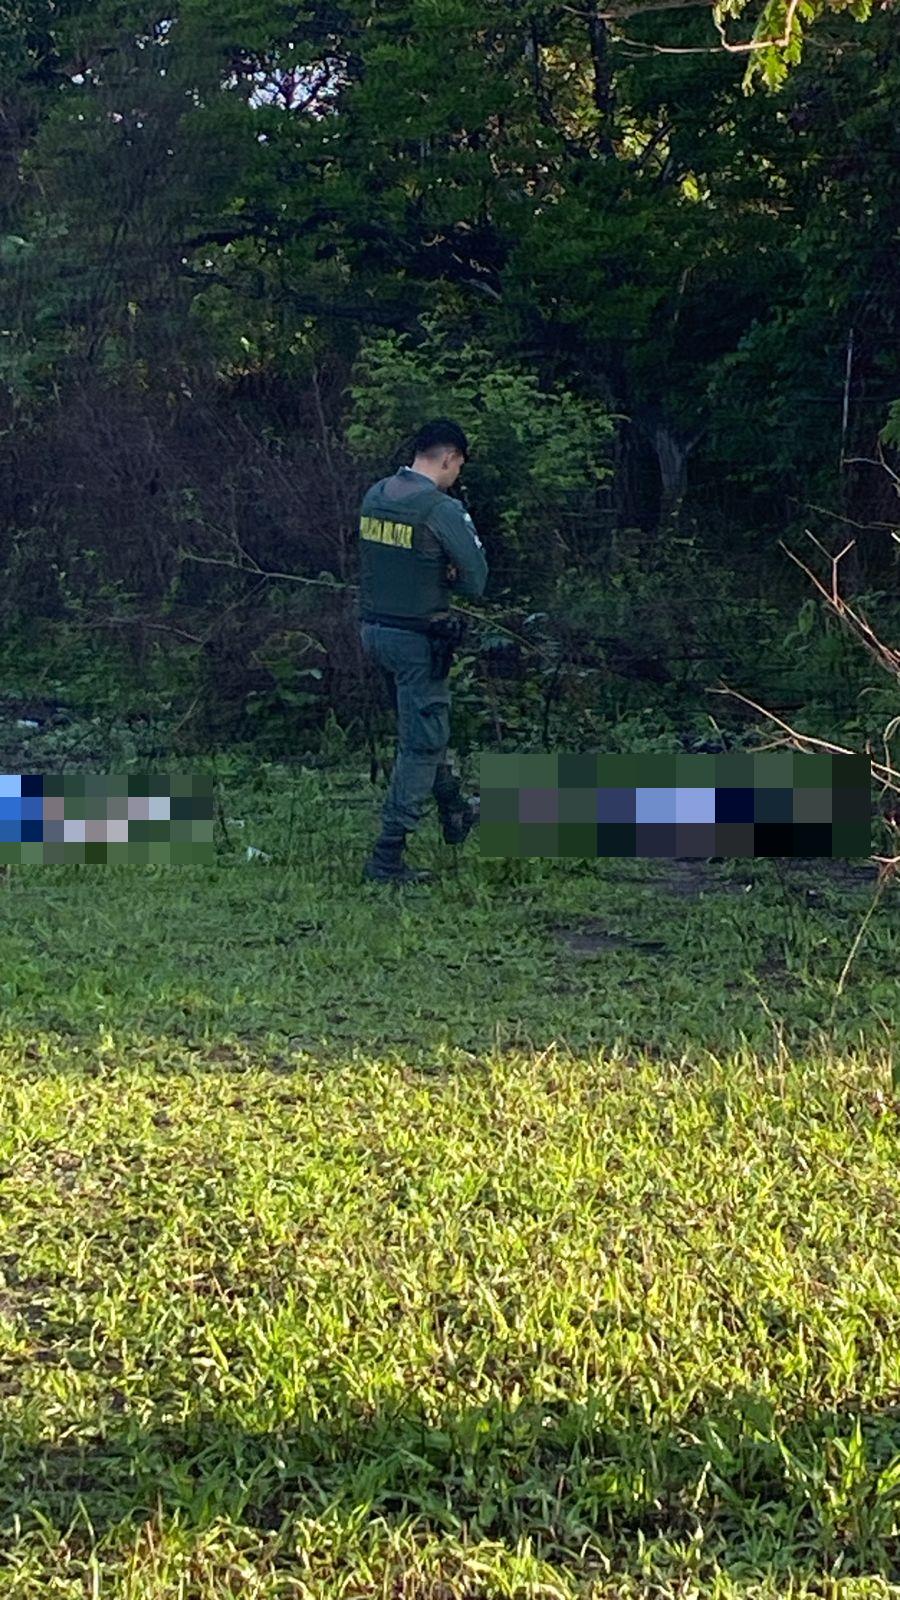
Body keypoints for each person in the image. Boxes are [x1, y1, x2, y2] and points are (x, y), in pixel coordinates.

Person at [357, 419, 489, 884]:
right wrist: (448, 573)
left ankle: (453, 805)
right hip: (418, 641)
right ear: (450, 458)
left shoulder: (376, 495)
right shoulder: (439, 509)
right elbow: (476, 580)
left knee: (422, 726)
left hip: (374, 632)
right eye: (458, 466)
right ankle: (387, 857)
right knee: (422, 741)